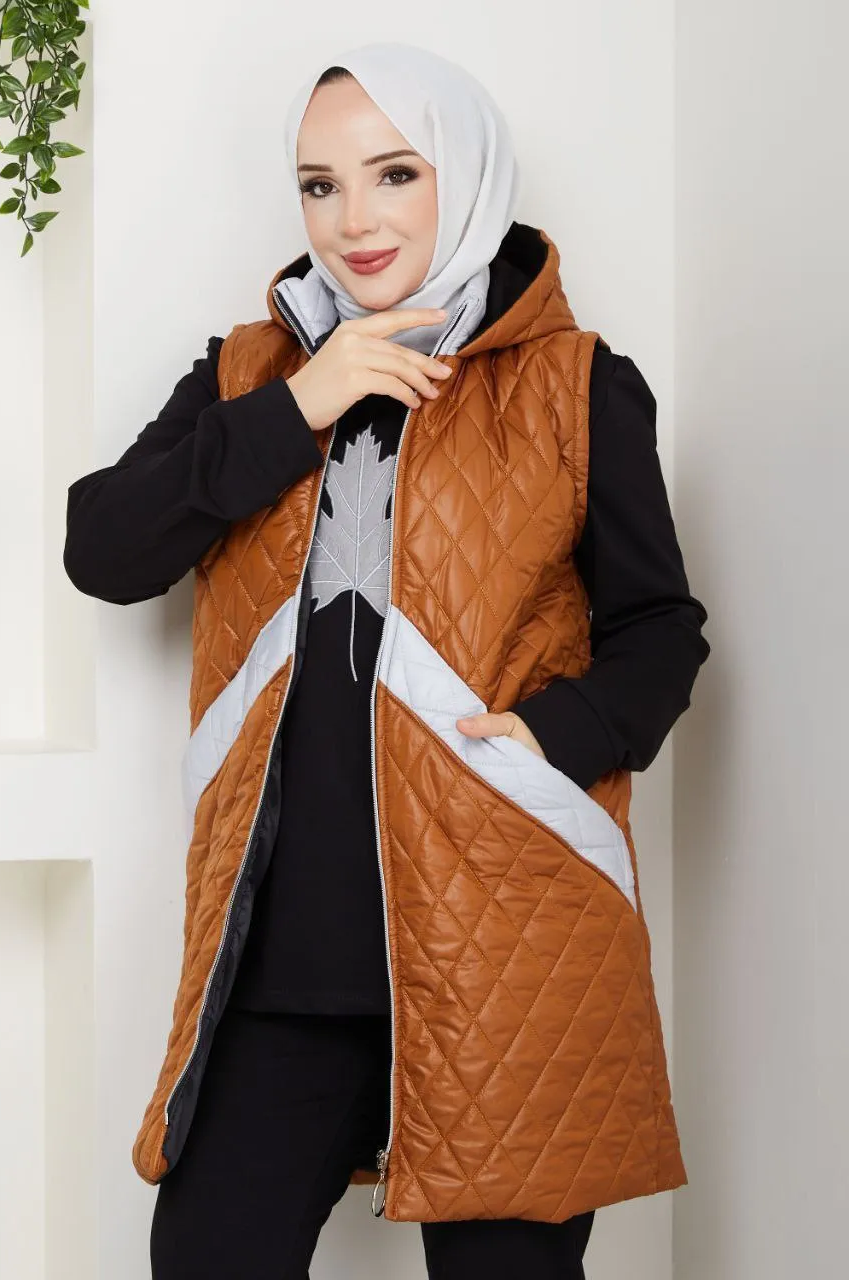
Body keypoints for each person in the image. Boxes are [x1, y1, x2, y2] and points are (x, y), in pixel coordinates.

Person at [64, 41, 710, 1280]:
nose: (353, 220)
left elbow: (660, 628)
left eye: (394, 173)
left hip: (506, 946)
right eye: (319, 185)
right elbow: (104, 548)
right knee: (206, 1256)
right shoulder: (250, 371)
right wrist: (301, 403)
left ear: (463, 174)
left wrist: (559, 735)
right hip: (280, 959)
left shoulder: (574, 384)